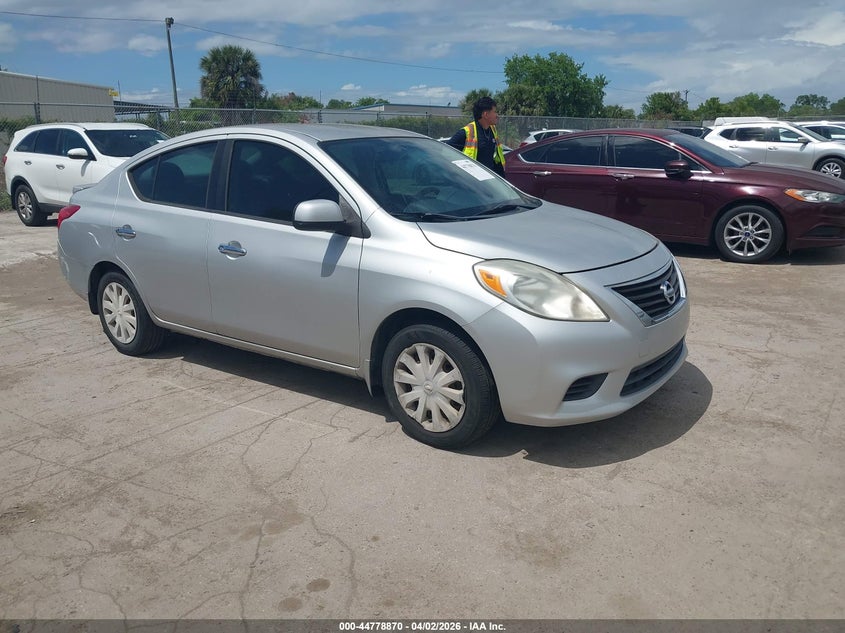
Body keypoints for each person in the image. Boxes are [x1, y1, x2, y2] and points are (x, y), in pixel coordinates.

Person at [446, 96, 506, 176]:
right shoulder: (467, 132)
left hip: (489, 181)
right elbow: (446, 153)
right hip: (473, 183)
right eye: (494, 112)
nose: (497, 115)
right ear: (486, 114)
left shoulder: (493, 130)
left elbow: (496, 159)